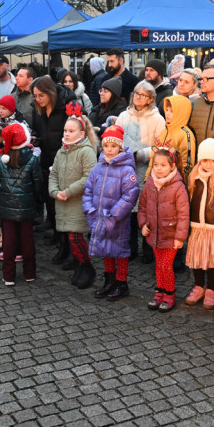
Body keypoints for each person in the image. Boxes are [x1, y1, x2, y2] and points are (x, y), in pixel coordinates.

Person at [82, 125, 139, 301]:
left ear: (120, 147)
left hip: (117, 221)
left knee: (120, 251)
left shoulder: (126, 170)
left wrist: (115, 214)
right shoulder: (98, 167)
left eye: (113, 146)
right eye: (106, 146)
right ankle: (109, 280)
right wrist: (89, 208)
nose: (109, 149)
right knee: (105, 249)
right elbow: (88, 189)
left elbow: (131, 194)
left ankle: (121, 283)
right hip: (99, 217)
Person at [116, 81, 167, 262]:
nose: (137, 97)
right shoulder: (123, 116)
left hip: (147, 170)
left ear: (150, 99)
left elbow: (160, 146)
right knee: (128, 210)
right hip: (125, 169)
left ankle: (148, 250)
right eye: (136, 93)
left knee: (146, 210)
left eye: (142, 94)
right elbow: (116, 138)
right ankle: (130, 248)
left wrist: (141, 154)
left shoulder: (157, 119)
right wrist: (122, 153)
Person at [49, 108, 98, 289]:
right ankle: (79, 266)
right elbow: (53, 173)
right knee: (70, 237)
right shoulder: (62, 151)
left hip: (78, 202)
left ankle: (87, 266)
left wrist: (68, 191)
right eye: (65, 131)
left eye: (71, 131)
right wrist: (54, 191)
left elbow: (89, 177)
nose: (67, 134)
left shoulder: (86, 151)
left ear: (81, 133)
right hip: (63, 201)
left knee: (76, 236)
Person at [138, 147, 190, 312]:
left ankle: (169, 294)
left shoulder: (178, 187)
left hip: (170, 235)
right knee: (159, 265)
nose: (159, 168)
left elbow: (183, 214)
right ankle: (159, 291)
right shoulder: (150, 183)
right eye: (156, 165)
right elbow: (143, 206)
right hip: (154, 234)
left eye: (163, 165)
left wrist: (180, 237)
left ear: (172, 167)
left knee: (166, 265)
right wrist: (143, 224)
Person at [0, 123, 43, 286]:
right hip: (26, 206)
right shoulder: (32, 159)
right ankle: (29, 273)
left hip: (6, 206)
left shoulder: (1, 158)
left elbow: (0, 181)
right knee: (27, 239)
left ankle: (8, 276)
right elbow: (38, 184)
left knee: (9, 241)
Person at [184, 138, 214, 310]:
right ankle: (198, 286)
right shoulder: (194, 177)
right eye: (204, 160)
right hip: (197, 226)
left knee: (212, 261)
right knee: (196, 259)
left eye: (212, 160)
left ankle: (211, 289)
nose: (208, 164)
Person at [30, 76, 69, 245]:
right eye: (35, 96)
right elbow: (38, 130)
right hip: (45, 159)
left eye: (41, 95)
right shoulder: (37, 109)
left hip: (63, 162)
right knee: (49, 201)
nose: (38, 99)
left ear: (50, 93)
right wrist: (35, 138)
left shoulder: (65, 108)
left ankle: (65, 241)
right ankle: (56, 233)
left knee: (62, 205)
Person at [148, 95, 196, 178]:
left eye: (172, 111)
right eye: (166, 110)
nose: (167, 114)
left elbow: (187, 164)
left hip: (174, 183)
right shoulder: (164, 132)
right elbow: (153, 159)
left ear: (181, 113)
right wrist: (147, 178)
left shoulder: (185, 134)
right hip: (156, 181)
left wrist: (174, 181)